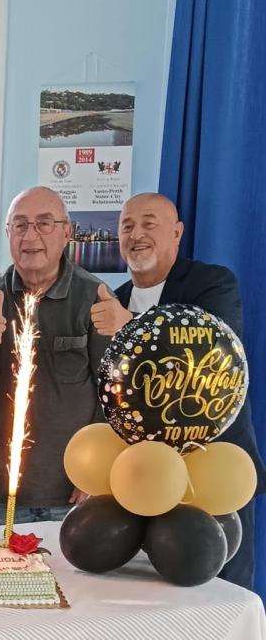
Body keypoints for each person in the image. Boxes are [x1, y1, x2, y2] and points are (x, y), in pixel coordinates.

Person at [89, 191, 266, 589]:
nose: (136, 234)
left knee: (223, 590)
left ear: (177, 232)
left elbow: (210, 351)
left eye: (149, 223)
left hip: (213, 470)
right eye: (127, 226)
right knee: (149, 591)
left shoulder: (212, 283)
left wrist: (130, 325)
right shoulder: (114, 300)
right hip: (142, 478)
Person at [0, 186, 110, 526]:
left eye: (44, 223)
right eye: (20, 225)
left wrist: (96, 469)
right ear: (8, 233)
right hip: (2, 493)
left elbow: (114, 393)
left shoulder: (95, 297)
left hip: (74, 494)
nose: (30, 235)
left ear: (67, 233)